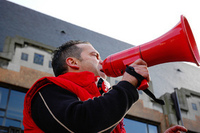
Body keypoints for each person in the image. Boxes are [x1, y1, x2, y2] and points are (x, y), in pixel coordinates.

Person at [23, 40, 187, 133]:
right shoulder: (47, 90)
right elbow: (82, 126)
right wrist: (127, 86)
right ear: (72, 62)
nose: (102, 61)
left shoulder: (100, 101)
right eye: (95, 55)